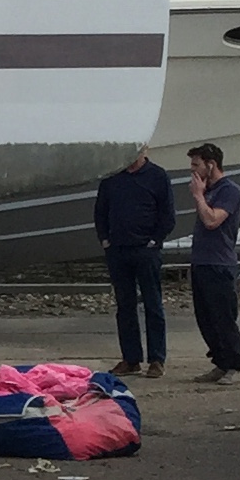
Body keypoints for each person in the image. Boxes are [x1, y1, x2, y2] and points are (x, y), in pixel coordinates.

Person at [92, 145, 174, 378]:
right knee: (125, 306)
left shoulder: (157, 176)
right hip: (118, 249)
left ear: (144, 150)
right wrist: (105, 239)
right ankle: (131, 358)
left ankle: (157, 359)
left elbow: (167, 214)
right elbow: (101, 211)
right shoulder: (112, 178)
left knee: (153, 304)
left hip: (146, 249)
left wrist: (155, 240)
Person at [188, 141, 240, 382]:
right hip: (201, 260)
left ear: (210, 166)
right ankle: (220, 361)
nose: (192, 170)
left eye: (196, 165)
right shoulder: (210, 190)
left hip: (219, 262)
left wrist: (199, 196)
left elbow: (213, 220)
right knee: (206, 317)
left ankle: (236, 364)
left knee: (223, 316)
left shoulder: (228, 191)